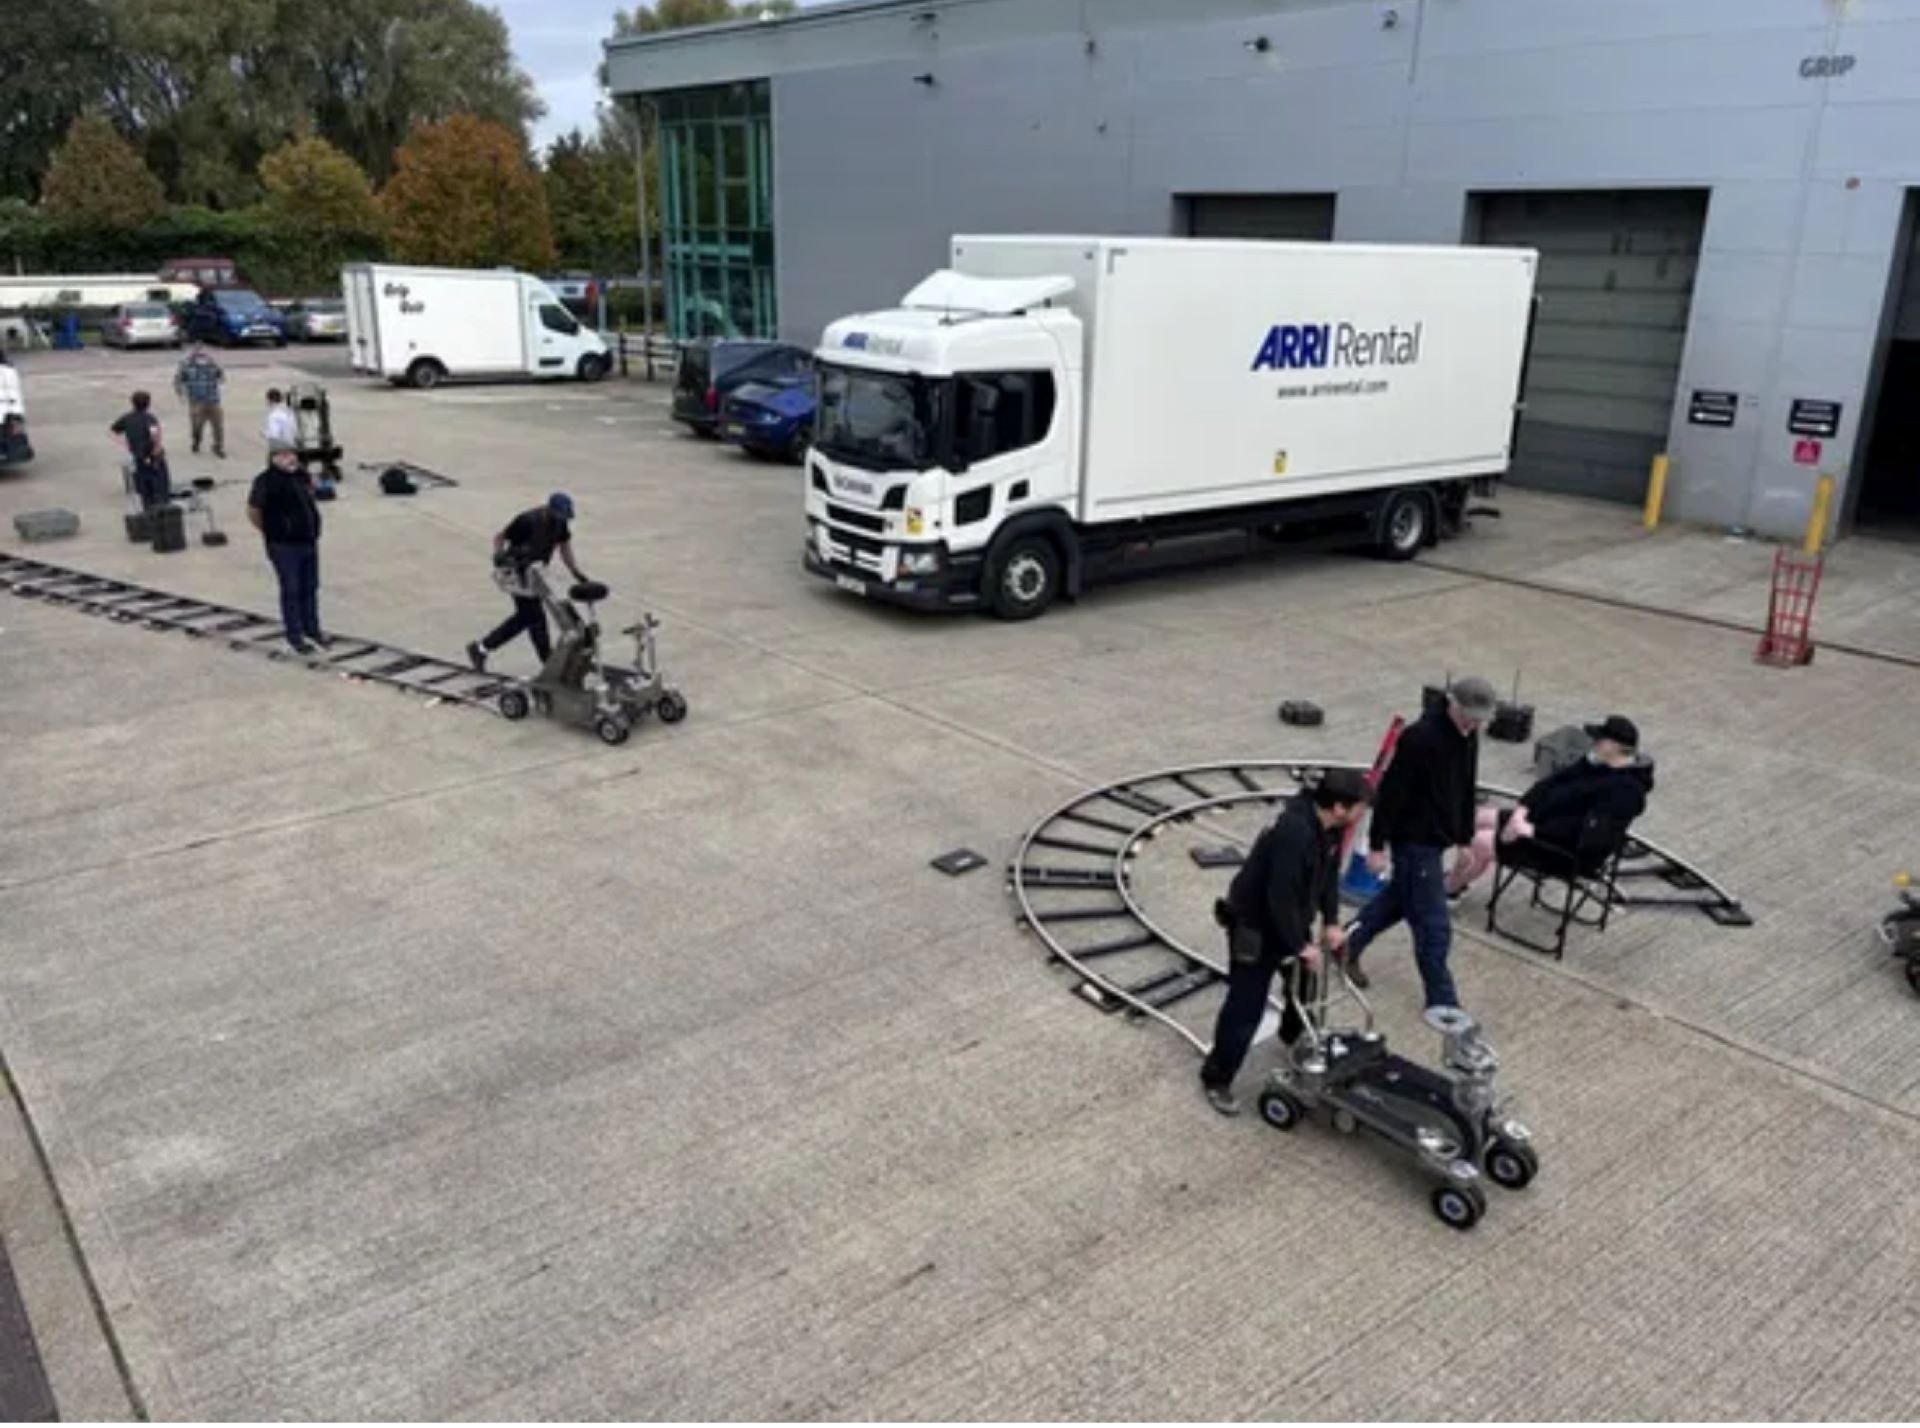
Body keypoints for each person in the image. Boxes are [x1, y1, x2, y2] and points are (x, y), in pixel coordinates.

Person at [1200, 768, 1371, 1116]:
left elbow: (1327, 878)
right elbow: (1279, 895)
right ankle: (1217, 1078)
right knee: (1245, 1006)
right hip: (1256, 924)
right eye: (1359, 807)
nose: (1362, 813)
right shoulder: (1294, 832)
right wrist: (1299, 946)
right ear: (1339, 806)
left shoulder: (1330, 829)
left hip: (1290, 919)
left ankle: (1295, 1037)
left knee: (1306, 984)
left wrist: (1333, 921)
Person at [1341, 676, 1498, 1009]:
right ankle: (1442, 1001)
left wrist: (1464, 838)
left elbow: (1465, 786)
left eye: (1479, 718)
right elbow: (1392, 792)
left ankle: (1347, 944)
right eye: (1468, 715)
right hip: (1413, 840)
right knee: (1433, 925)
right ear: (1452, 704)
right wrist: (1377, 845)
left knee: (1398, 899)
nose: (1473, 723)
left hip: (1438, 837)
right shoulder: (1420, 738)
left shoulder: (1469, 736)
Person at [1448, 715, 1653, 895]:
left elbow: (1588, 836)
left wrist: (1532, 831)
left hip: (1564, 851)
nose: (1594, 742)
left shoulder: (1625, 792)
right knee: (1478, 818)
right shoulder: (1597, 762)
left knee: (1480, 842)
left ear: (1614, 747)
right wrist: (1522, 810)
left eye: (1600, 739)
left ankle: (1449, 889)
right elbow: (1550, 782)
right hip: (1539, 821)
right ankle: (1460, 875)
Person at [467, 493, 589, 672]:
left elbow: (564, 547)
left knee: (529, 617)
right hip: (517, 573)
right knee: (532, 616)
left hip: (536, 574)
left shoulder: (560, 524)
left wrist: (575, 571)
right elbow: (500, 537)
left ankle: (481, 648)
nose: (562, 519)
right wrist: (498, 555)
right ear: (549, 510)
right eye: (560, 515)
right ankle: (545, 660)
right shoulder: (527, 520)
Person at [248, 438, 328, 654]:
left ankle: (312, 629)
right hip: (283, 546)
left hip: (308, 540)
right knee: (291, 589)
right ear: (273, 458)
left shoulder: (301, 476)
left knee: (310, 587)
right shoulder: (265, 481)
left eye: (291, 454)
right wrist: (274, 531)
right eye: (283, 455)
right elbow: (254, 511)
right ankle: (294, 635)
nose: (290, 458)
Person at [111, 390, 171, 510]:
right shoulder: (150, 418)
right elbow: (154, 434)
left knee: (143, 482)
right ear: (148, 404)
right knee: (159, 481)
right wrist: (157, 448)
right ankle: (162, 503)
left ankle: (147, 506)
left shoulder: (127, 418)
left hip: (137, 454)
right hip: (151, 454)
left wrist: (125, 444)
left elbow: (113, 431)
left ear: (133, 403)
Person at [173, 344, 227, 457]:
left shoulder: (213, 364)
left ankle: (218, 446)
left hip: (213, 400)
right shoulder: (186, 366)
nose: (202, 355)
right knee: (197, 426)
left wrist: (219, 374)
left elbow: (222, 378)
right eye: (198, 352)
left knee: (218, 425)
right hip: (196, 401)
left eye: (204, 352)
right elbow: (178, 381)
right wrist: (181, 394)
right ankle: (196, 440)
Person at [262, 388, 297, 453]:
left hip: (280, 448)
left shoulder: (274, 415)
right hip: (293, 445)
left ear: (270, 401)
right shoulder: (289, 411)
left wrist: (265, 434)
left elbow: (274, 435)